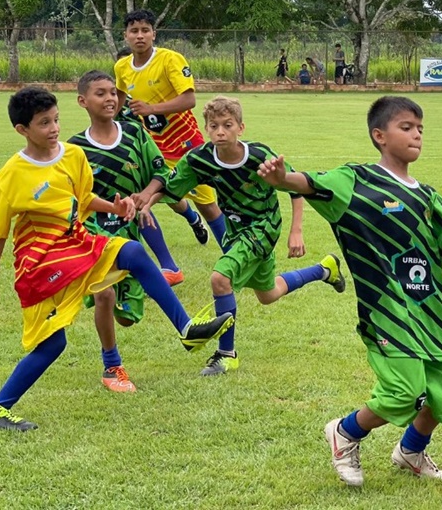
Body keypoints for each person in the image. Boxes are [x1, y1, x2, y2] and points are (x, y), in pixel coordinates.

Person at [257, 96, 442, 486]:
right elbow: (309, 183)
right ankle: (344, 432)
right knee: (402, 392)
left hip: (431, 309)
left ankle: (410, 452)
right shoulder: (354, 180)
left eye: (420, 129)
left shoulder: (428, 196)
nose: (416, 135)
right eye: (406, 127)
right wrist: (281, 180)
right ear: (379, 135)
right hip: (386, 311)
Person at [0, 87, 234, 431]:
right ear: (22, 130)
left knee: (133, 251)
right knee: (53, 344)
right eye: (43, 124)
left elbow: (83, 199)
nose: (53, 129)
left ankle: (186, 329)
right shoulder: (10, 176)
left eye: (55, 120)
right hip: (41, 263)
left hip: (78, 244)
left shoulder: (71, 156)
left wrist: (115, 206)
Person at [135, 96, 348, 376]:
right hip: (236, 230)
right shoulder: (199, 159)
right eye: (214, 126)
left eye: (228, 125)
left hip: (264, 226)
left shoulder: (259, 156)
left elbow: (297, 186)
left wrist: (296, 231)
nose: (220, 131)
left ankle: (226, 354)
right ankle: (324, 270)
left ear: (241, 127)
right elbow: (172, 187)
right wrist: (148, 201)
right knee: (268, 294)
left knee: (220, 278)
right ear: (206, 129)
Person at [68, 70, 185, 392]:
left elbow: (163, 172)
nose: (109, 99)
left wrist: (146, 197)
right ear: (82, 101)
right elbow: (74, 197)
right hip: (92, 234)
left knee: (128, 317)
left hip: (129, 235)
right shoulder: (74, 149)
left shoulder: (135, 134)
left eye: (112, 93)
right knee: (103, 294)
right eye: (100, 93)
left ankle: (128, 312)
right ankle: (111, 366)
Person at [113, 9, 228, 255]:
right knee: (139, 198)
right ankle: (169, 266)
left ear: (154, 34)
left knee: (207, 204)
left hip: (185, 144)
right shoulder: (122, 67)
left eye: (145, 30)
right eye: (134, 31)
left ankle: (231, 254)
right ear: (126, 36)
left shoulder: (170, 60)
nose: (140, 36)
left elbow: (189, 100)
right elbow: (118, 99)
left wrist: (150, 108)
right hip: (152, 147)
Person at [111, 45, 185, 286]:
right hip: (133, 150)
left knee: (157, 197)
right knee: (135, 200)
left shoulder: (143, 94)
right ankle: (168, 266)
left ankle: (191, 223)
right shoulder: (115, 101)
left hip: (164, 146)